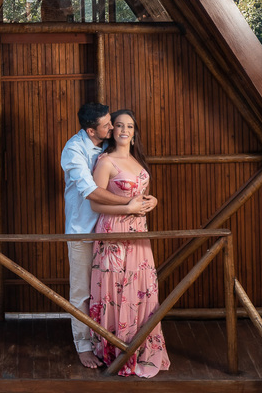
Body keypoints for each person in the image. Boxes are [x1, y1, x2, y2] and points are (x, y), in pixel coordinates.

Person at [88, 108, 169, 376]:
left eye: (130, 126)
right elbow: (96, 204)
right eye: (120, 125)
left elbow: (140, 195)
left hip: (139, 234)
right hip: (114, 235)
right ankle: (115, 347)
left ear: (134, 134)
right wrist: (128, 209)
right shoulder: (106, 162)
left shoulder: (138, 162)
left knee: (142, 288)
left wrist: (152, 200)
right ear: (113, 131)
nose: (124, 130)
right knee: (115, 291)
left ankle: (141, 345)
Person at [61, 102, 140, 369]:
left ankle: (108, 342)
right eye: (108, 124)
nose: (113, 127)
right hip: (83, 232)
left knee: (110, 290)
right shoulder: (73, 151)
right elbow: (92, 192)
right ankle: (83, 346)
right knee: (82, 291)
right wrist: (128, 204)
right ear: (91, 130)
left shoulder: (106, 146)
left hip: (111, 231)